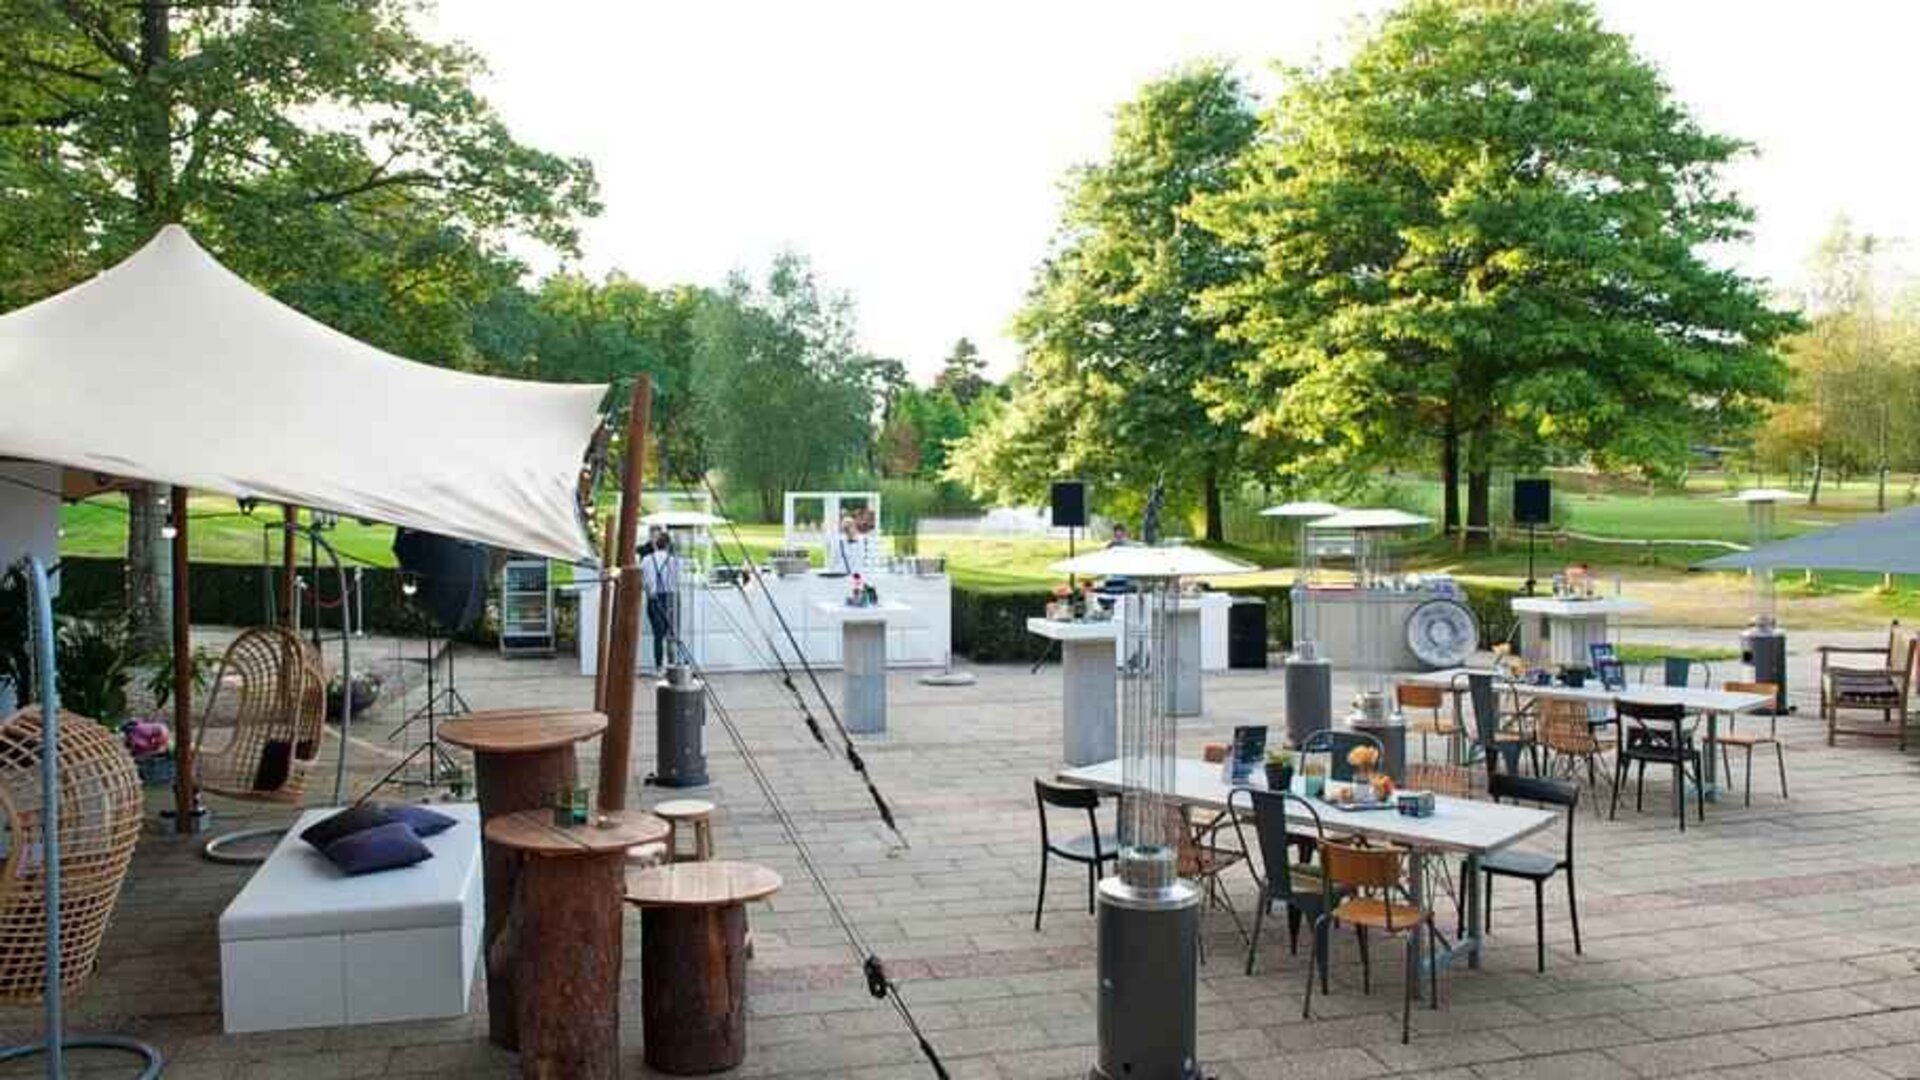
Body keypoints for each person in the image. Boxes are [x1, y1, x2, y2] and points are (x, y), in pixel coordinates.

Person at [639, 531, 681, 670]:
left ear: (655, 545)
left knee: (657, 635)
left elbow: (643, 581)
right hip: (670, 597)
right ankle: (671, 664)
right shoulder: (675, 560)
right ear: (668, 545)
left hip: (653, 599)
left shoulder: (646, 560)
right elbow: (677, 580)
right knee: (671, 633)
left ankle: (659, 667)